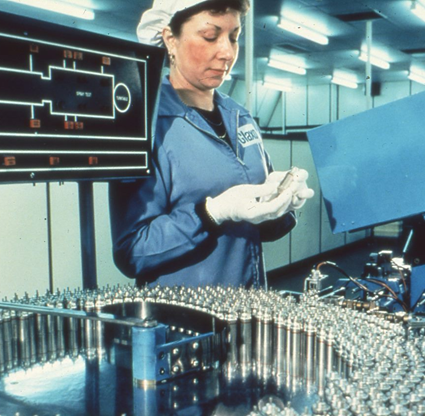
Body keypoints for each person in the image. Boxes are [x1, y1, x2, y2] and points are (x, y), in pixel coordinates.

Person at [109, 0, 314, 288]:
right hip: (185, 320)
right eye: (210, 36)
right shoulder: (147, 125)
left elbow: (260, 229)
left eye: (234, 37)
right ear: (170, 39)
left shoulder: (240, 117)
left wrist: (281, 203)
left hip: (248, 311)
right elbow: (132, 251)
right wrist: (210, 214)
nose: (227, 52)